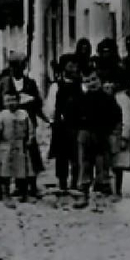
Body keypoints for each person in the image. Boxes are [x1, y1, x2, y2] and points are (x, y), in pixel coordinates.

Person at [75, 65, 121, 206]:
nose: (91, 83)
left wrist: (112, 130)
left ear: (100, 80)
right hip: (85, 134)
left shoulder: (108, 99)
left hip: (102, 135)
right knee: (84, 164)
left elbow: (116, 115)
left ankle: (101, 193)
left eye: (94, 79)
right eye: (87, 81)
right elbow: (72, 116)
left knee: (102, 163)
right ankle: (83, 193)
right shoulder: (80, 99)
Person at [0, 87, 40, 201]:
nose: (11, 103)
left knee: (22, 170)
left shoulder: (23, 113)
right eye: (8, 101)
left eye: (14, 100)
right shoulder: (2, 114)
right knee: (5, 170)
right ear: (4, 102)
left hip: (20, 145)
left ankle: (23, 193)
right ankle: (5, 193)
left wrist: (30, 139)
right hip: (6, 145)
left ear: (18, 101)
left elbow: (30, 129)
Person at [46, 57, 83, 194]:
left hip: (76, 125)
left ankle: (75, 182)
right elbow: (51, 106)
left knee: (76, 154)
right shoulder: (56, 86)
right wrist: (53, 119)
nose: (73, 68)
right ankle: (62, 181)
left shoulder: (80, 85)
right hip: (61, 125)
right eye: (70, 65)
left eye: (75, 65)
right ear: (63, 68)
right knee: (62, 155)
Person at [111, 72, 130, 197]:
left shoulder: (123, 98)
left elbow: (127, 118)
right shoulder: (108, 96)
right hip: (108, 133)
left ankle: (117, 190)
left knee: (118, 164)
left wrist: (125, 136)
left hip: (119, 133)